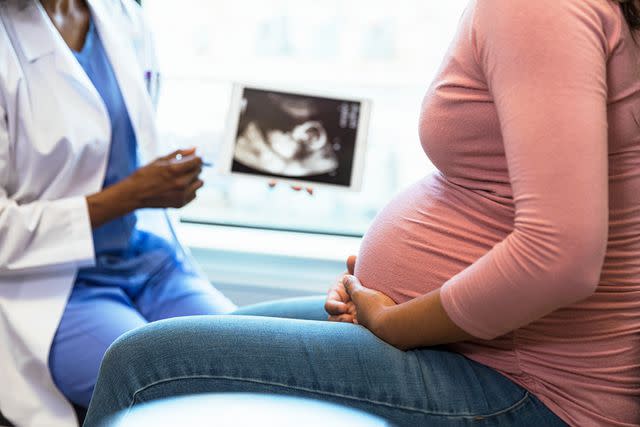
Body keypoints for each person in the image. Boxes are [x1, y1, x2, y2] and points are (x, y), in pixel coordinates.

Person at [84, 0, 640, 426]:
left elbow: (560, 258)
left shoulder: (538, 9)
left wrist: (397, 321)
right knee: (193, 341)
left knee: (144, 366)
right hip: (483, 343)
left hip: (537, 385)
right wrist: (384, 281)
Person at [0, 1, 238, 426]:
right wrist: (129, 196)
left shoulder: (120, 11)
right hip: (50, 286)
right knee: (177, 401)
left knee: (257, 368)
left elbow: (130, 136)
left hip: (147, 260)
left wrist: (256, 159)